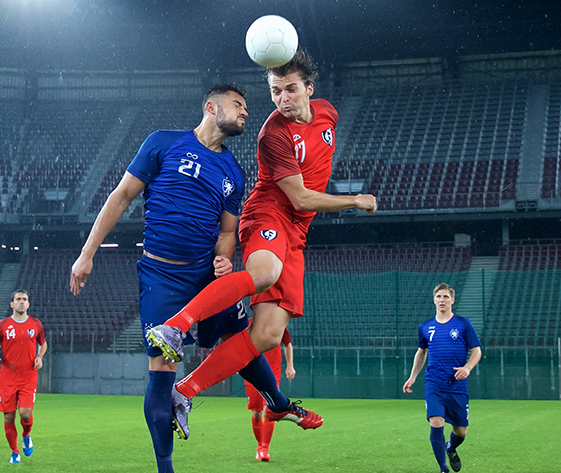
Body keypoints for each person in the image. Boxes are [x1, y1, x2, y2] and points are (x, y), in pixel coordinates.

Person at [147, 49, 376, 431]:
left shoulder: (329, 113)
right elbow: (300, 197)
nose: (282, 99)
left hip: (298, 232)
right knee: (265, 271)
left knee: (268, 334)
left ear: (309, 89)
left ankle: (184, 390)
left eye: (289, 90)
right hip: (269, 211)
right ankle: (177, 324)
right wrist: (355, 200)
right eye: (274, 91)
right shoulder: (273, 134)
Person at [69, 83, 251, 473]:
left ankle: (278, 401)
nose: (245, 113)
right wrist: (87, 254)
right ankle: (165, 468)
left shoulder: (234, 172)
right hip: (160, 277)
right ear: (210, 107)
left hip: (204, 278)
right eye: (238, 105)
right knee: (162, 369)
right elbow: (121, 196)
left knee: (245, 338)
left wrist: (223, 260)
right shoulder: (163, 143)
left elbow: (226, 232)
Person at [403, 283, 482, 473]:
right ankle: (443, 469)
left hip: (457, 385)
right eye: (439, 296)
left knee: (461, 431)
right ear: (434, 300)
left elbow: (477, 351)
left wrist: (468, 368)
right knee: (436, 421)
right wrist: (413, 376)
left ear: (452, 300)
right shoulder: (426, 327)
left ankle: (451, 447)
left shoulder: (463, 324)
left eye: (446, 297)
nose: (442, 300)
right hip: (434, 383)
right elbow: (421, 353)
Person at [0, 290, 47, 465]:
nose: (22, 302)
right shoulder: (3, 325)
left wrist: (39, 357)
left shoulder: (36, 324)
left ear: (28, 304)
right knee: (9, 418)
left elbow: (43, 344)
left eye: (25, 299)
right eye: (18, 299)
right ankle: (14, 452)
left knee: (25, 413)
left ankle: (26, 435)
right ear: (12, 304)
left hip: (28, 376)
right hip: (8, 378)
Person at [245, 327, 295, 462]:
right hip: (252, 371)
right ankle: (260, 446)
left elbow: (287, 344)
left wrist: (290, 365)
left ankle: (264, 449)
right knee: (256, 413)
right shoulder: (248, 324)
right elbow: (239, 345)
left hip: (273, 371)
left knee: (270, 409)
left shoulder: (278, 323)